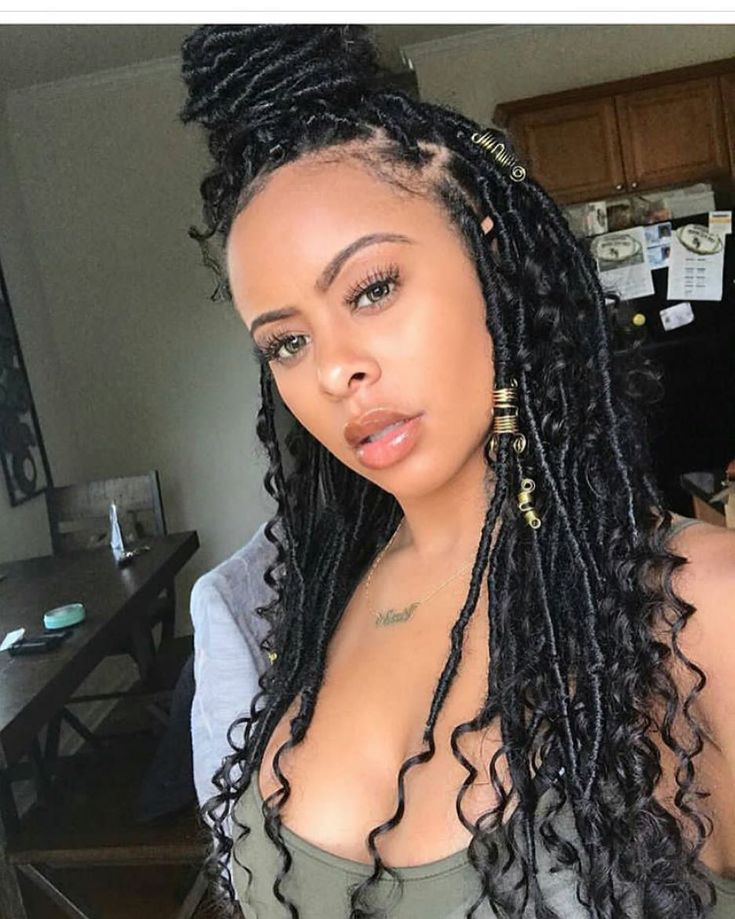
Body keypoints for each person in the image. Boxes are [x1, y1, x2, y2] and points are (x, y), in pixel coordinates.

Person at [179, 24, 735, 919]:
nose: (335, 369)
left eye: (371, 289)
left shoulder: (698, 604)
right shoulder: (307, 607)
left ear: (489, 259)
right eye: (286, 341)